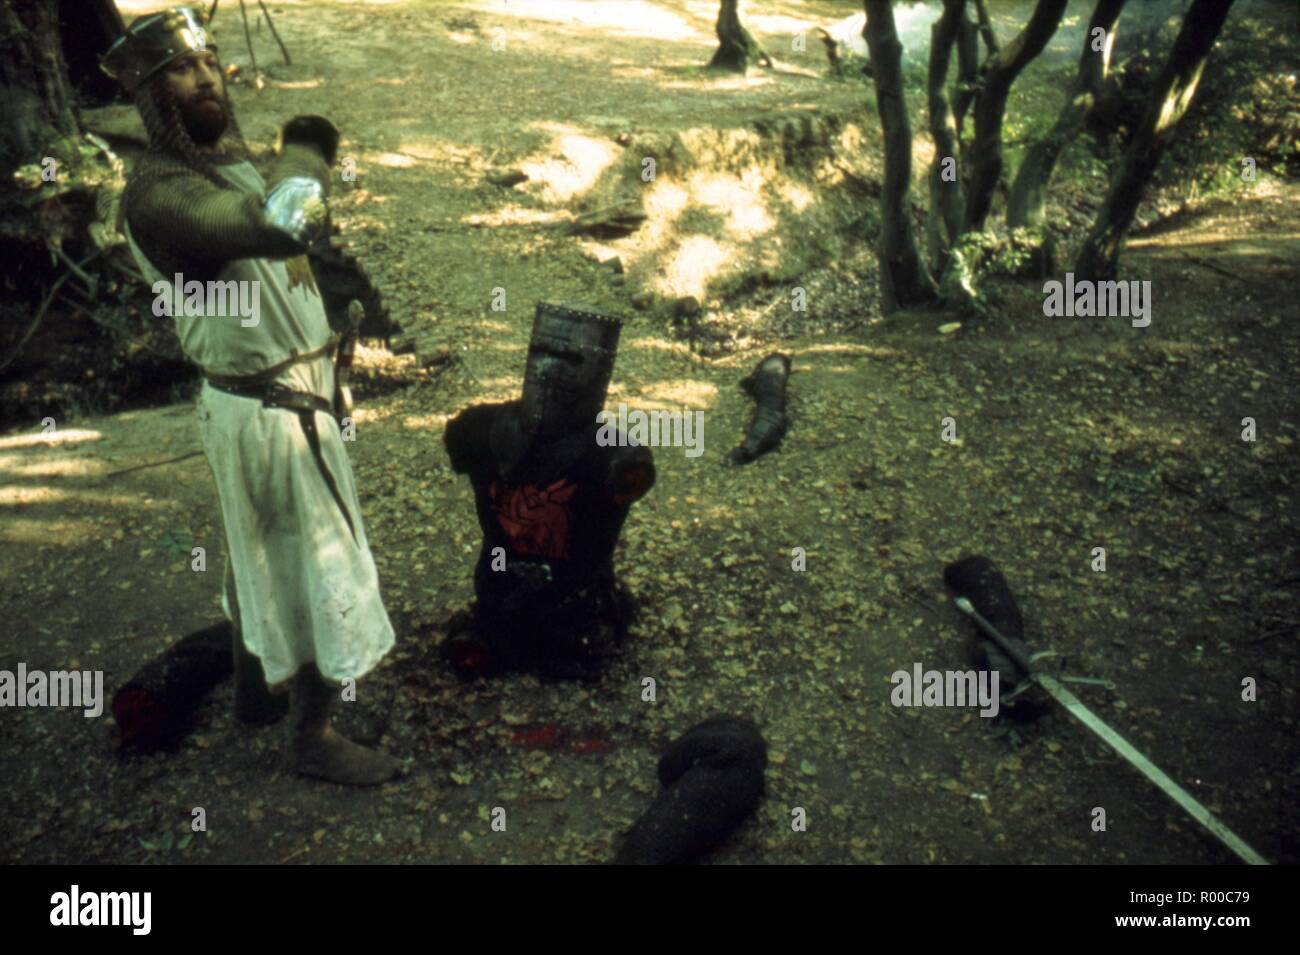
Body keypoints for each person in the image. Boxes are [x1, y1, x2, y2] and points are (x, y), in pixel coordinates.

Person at [103, 7, 400, 784]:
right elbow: (278, 221)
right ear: (148, 95)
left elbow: (283, 231)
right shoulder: (156, 197)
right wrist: (308, 143)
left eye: (209, 60)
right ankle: (312, 735)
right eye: (182, 67)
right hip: (266, 412)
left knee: (258, 552)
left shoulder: (225, 162)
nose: (206, 76)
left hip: (286, 398)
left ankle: (251, 695)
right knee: (318, 568)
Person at [442, 303, 655, 680]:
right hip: (499, 593)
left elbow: (631, 473)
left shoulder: (616, 456)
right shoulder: (477, 430)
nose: (554, 372)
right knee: (478, 647)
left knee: (578, 652)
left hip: (575, 605)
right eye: (545, 354)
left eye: (571, 360)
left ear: (594, 370)